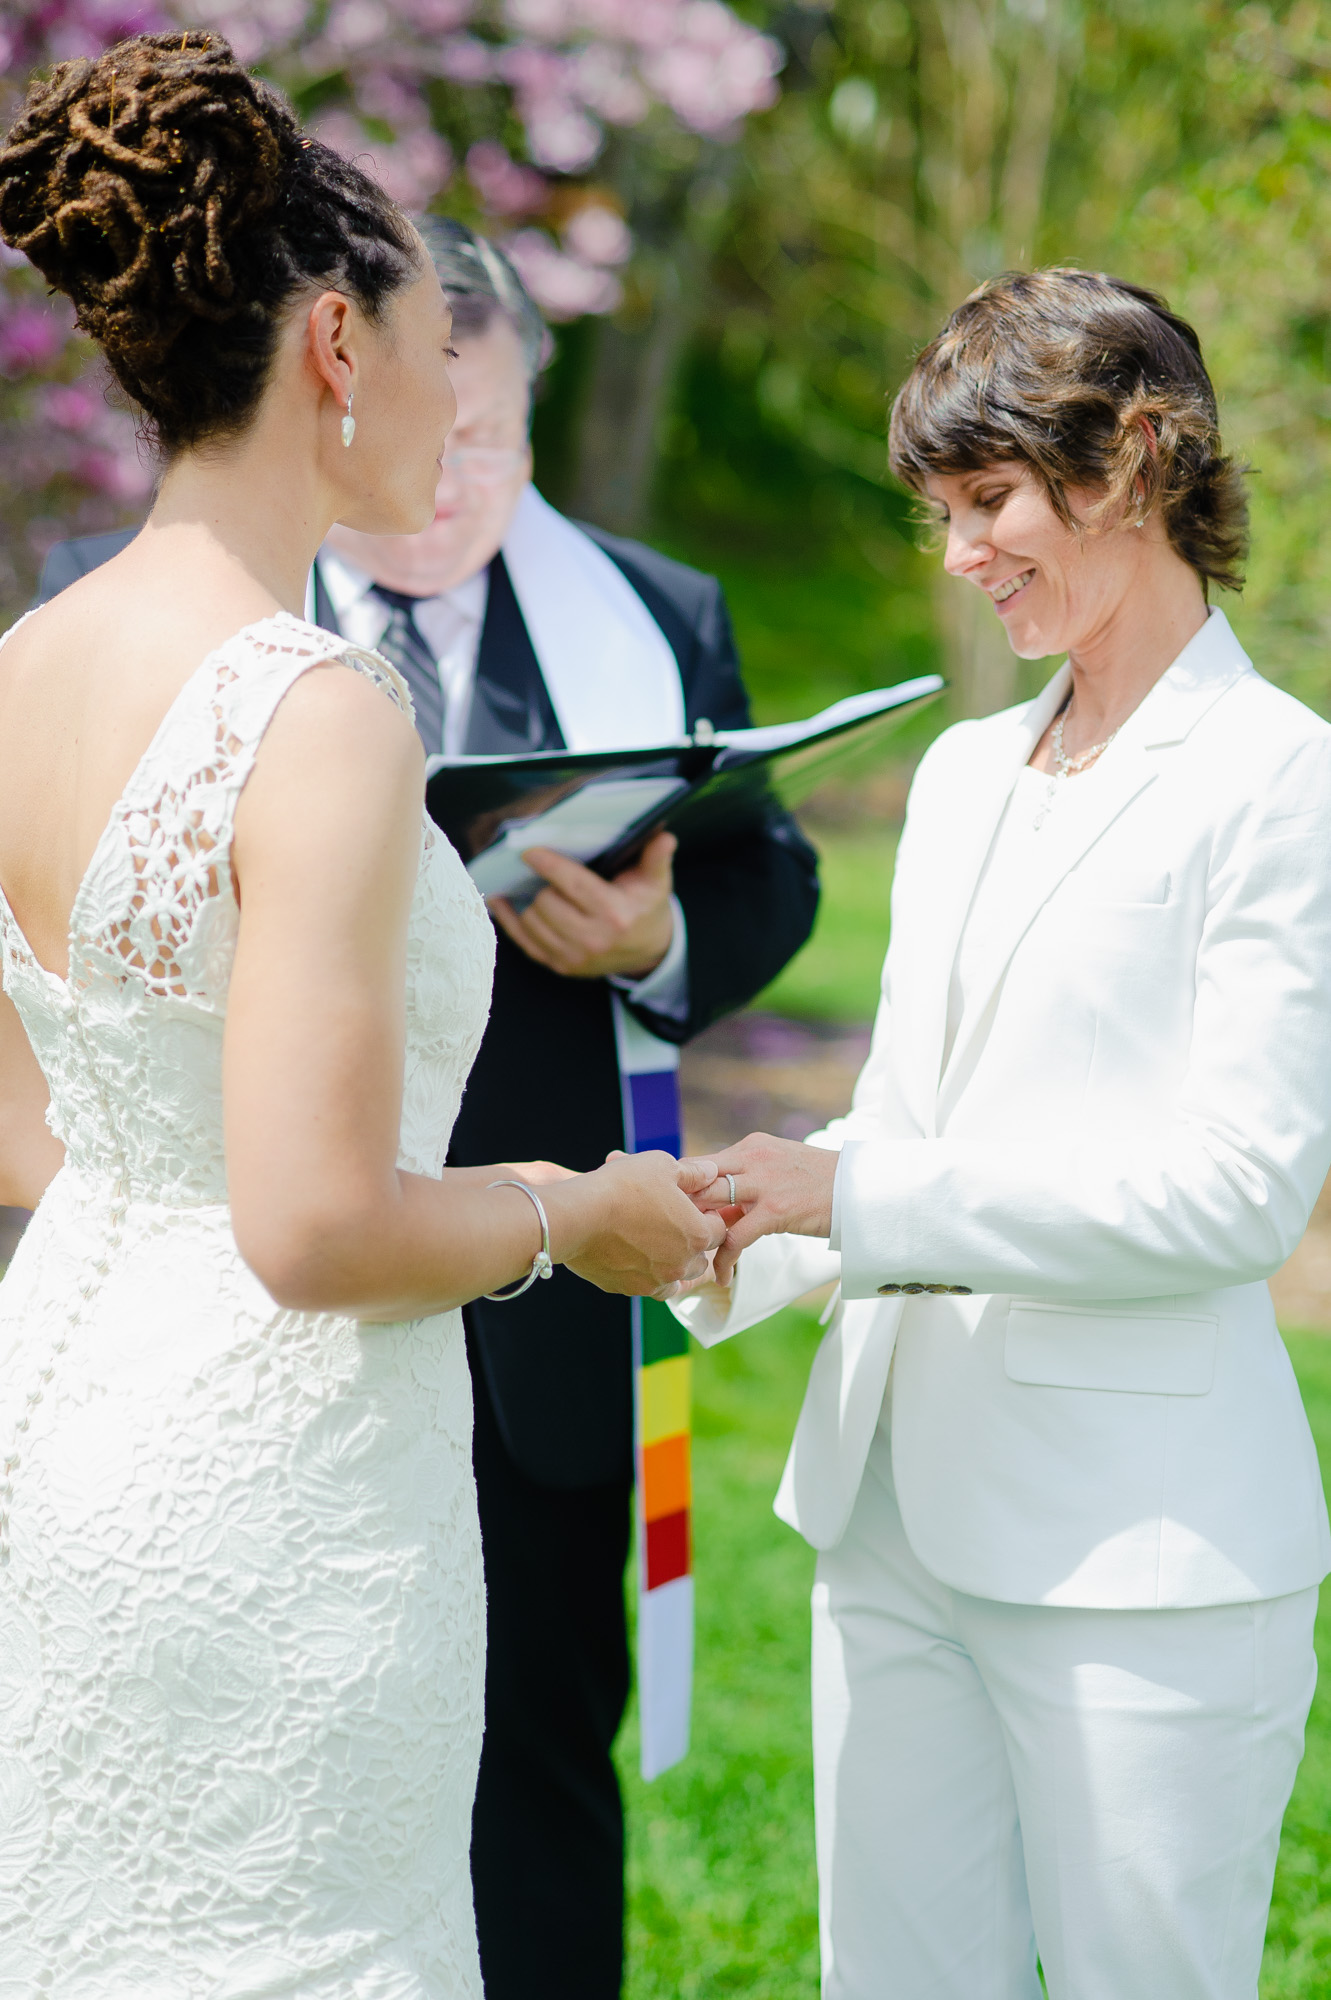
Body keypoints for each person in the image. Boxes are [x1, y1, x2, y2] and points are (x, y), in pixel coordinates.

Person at [0, 32, 724, 1995]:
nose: (446, 382)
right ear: (333, 344)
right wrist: (583, 1210)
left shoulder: (27, 662)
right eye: (427, 334)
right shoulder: (315, 709)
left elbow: (29, 1115)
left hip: (69, 1407)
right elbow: (312, 1225)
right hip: (282, 1482)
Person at [677, 268, 1331, 1999]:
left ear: (1134, 458)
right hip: (882, 1509)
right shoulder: (966, 772)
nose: (957, 551)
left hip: (1142, 1558)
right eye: (940, 512)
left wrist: (865, 1192)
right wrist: (746, 1220)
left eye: (989, 502)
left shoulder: (1286, 781)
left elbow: (1238, 1195)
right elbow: (912, 1122)